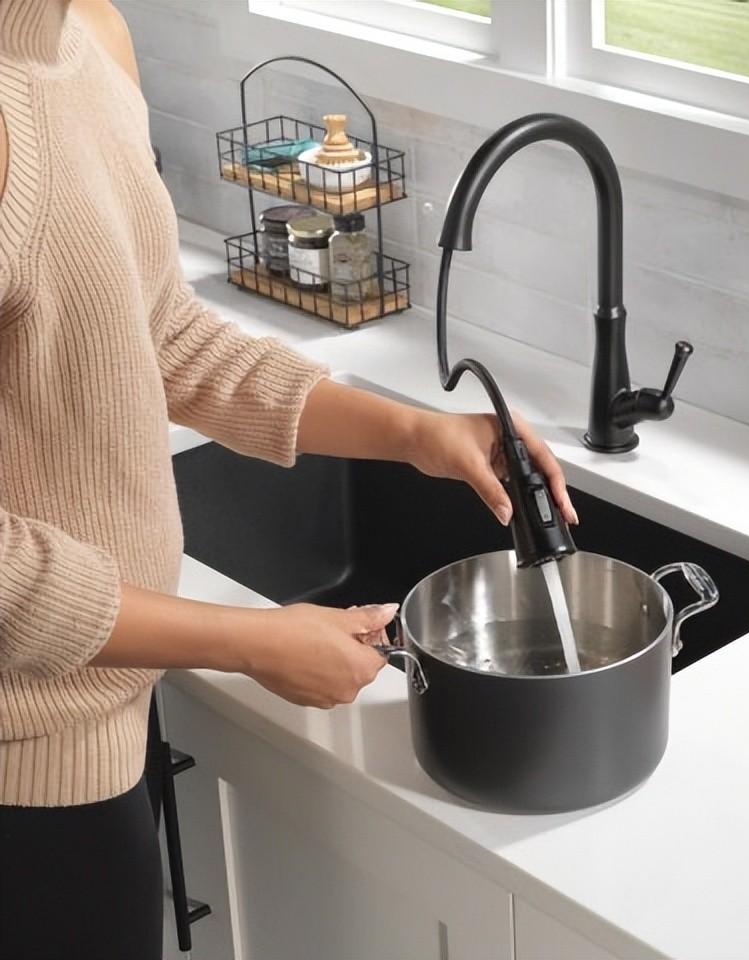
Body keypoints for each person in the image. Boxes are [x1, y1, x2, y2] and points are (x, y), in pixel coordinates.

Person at [0, 2, 577, 957]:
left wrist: (414, 433)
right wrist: (248, 641)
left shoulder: (90, 34)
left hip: (98, 713)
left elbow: (159, 333)